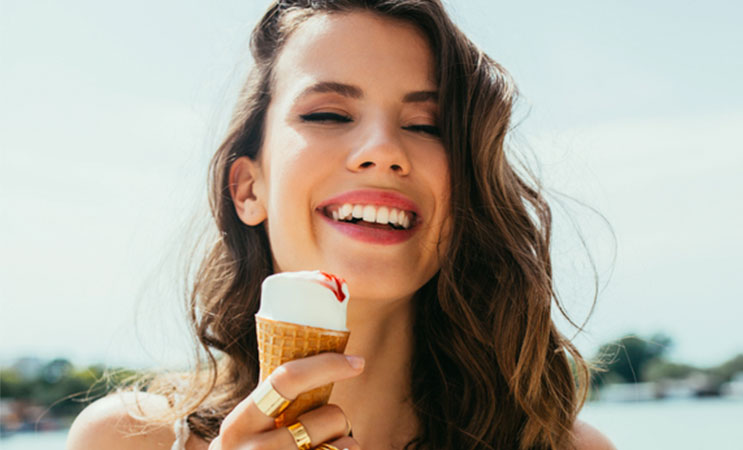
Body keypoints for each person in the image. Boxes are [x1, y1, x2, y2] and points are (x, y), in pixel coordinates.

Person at [66, 1, 616, 449]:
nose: (382, 150)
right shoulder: (123, 439)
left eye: (428, 125)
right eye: (327, 115)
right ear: (249, 188)